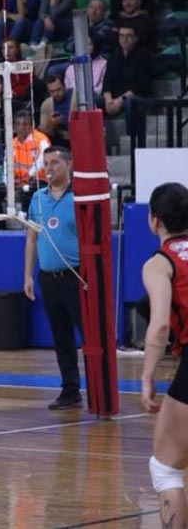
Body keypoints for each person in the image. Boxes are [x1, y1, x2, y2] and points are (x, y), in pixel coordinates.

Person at [139, 181, 188, 528]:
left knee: (166, 468)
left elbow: (158, 327)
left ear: (154, 220)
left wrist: (147, 377)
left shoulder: (160, 263)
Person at [23, 146, 86, 410]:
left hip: (76, 278)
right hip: (48, 278)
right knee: (61, 339)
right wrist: (28, 276)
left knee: (89, 337)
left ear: (69, 164)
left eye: (55, 163)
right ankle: (70, 391)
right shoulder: (38, 198)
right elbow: (32, 239)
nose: (48, 168)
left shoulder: (80, 197)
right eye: (46, 163)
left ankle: (99, 390)